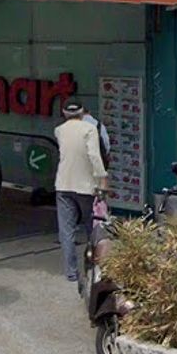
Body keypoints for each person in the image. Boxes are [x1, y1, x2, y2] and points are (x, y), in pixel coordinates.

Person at [54, 101, 108, 283]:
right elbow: (94, 156)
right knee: (92, 227)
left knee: (66, 231)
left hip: (63, 184)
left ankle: (71, 272)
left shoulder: (59, 130)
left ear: (64, 113)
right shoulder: (89, 129)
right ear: (83, 112)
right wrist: (102, 178)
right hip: (86, 185)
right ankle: (93, 266)